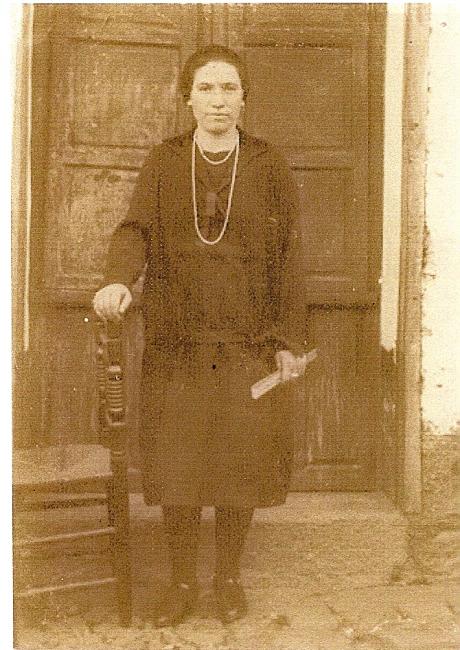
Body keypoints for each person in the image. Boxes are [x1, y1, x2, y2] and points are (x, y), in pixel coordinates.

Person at [93, 45, 311, 627]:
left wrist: (289, 338)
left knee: (240, 463)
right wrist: (117, 280)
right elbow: (135, 231)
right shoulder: (165, 161)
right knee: (179, 464)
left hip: (247, 341)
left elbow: (290, 256)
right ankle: (183, 581)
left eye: (229, 88)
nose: (218, 101)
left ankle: (228, 579)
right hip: (178, 340)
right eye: (207, 88)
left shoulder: (267, 163)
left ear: (245, 98)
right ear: (187, 98)